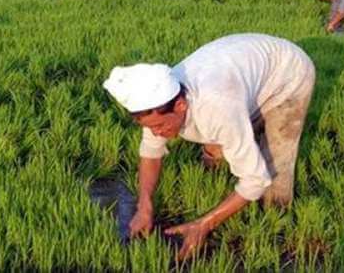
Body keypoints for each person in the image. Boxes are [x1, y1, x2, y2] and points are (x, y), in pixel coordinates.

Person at [103, 33, 315, 260]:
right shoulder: (156, 98)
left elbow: (256, 179)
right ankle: (221, 168)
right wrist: (144, 205)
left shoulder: (218, 106)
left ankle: (274, 227)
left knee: (274, 166)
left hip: (287, 76)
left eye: (161, 126)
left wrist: (204, 224)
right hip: (238, 70)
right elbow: (151, 152)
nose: (157, 133)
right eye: (151, 127)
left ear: (181, 104)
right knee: (220, 136)